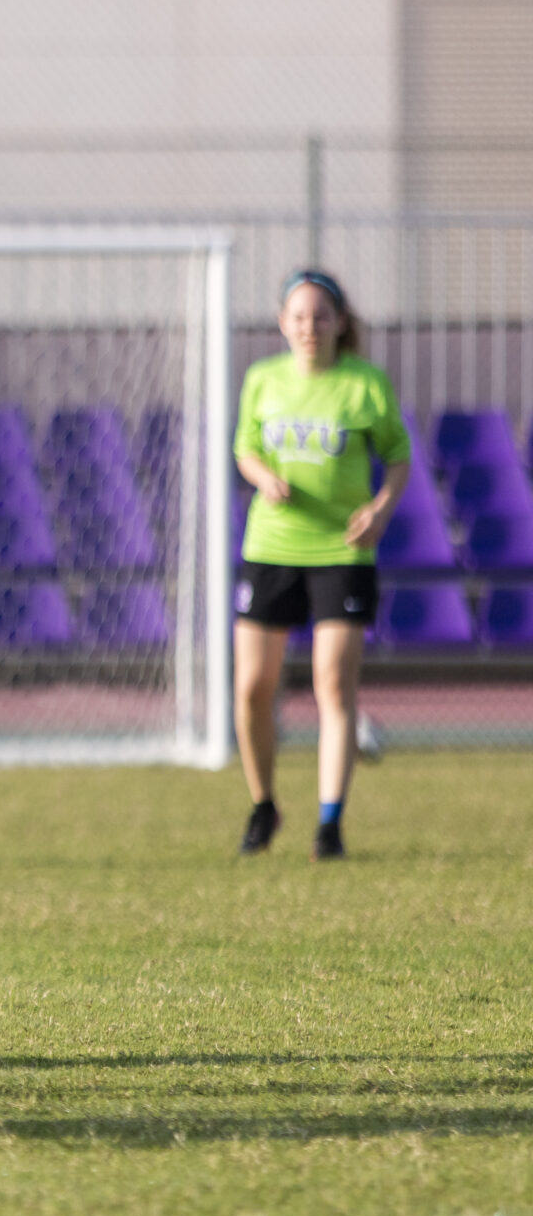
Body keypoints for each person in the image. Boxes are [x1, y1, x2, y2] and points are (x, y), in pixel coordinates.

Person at [231, 270, 409, 862]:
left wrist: (381, 509)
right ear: (283, 322)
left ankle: (329, 823)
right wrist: (262, 476)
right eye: (299, 316)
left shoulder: (365, 385)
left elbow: (399, 458)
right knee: (254, 689)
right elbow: (245, 447)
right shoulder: (262, 380)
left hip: (342, 551)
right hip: (271, 548)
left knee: (333, 681)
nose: (310, 327)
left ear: (339, 322)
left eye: (321, 316)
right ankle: (263, 804)